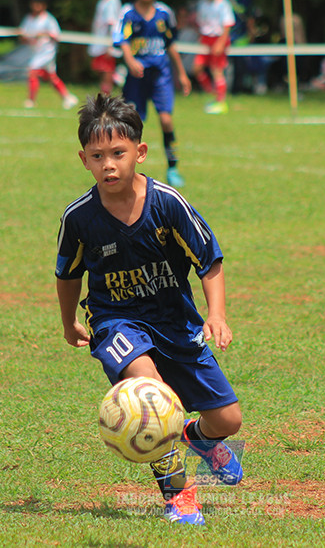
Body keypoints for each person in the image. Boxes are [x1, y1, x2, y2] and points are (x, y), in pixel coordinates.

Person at [55, 93, 243, 526]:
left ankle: (199, 438)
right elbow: (68, 275)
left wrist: (216, 315)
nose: (109, 165)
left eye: (118, 154)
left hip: (175, 321)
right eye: (98, 156)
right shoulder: (79, 217)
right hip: (114, 321)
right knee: (153, 397)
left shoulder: (167, 203)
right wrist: (68, 322)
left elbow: (208, 260)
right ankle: (178, 497)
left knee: (227, 419)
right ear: (83, 159)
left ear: (139, 152)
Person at [113, 0, 192, 188]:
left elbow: (171, 45)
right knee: (132, 124)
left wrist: (182, 74)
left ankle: (173, 167)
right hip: (137, 78)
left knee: (166, 120)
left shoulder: (165, 13)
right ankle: (127, 170)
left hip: (161, 75)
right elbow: (122, 40)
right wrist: (130, 61)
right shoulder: (127, 13)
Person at [19, 0, 79, 110]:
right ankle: (67, 97)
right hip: (35, 52)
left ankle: (31, 100)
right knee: (51, 77)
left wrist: (45, 34)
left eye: (39, 3)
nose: (36, 5)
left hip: (46, 53)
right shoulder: (28, 19)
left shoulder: (48, 20)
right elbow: (23, 36)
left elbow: (57, 36)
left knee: (32, 72)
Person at [193, 0, 235, 115]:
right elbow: (201, 22)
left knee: (217, 70)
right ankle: (211, 93)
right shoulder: (202, 3)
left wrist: (221, 43)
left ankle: (221, 101)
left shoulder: (223, 4)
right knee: (197, 67)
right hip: (206, 39)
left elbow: (227, 24)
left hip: (219, 38)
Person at [223, 0, 257, 94]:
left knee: (240, 66)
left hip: (241, 38)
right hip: (223, 37)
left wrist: (251, 34)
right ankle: (222, 90)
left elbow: (250, 18)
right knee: (222, 66)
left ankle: (237, 90)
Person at [89, 0, 123, 96]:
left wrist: (110, 44)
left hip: (106, 42)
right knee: (100, 69)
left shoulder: (112, 0)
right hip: (99, 41)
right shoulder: (104, 0)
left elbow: (111, 23)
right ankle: (109, 87)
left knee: (107, 69)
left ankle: (107, 92)